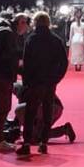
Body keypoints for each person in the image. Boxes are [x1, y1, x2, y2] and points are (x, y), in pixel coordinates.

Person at [17, 12, 68, 157]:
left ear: (35, 22)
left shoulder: (31, 40)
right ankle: (43, 143)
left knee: (30, 113)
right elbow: (64, 62)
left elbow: (26, 63)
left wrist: (27, 82)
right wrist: (56, 78)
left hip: (34, 82)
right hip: (50, 82)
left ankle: (26, 144)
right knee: (47, 113)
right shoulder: (56, 40)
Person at [0, 12, 28, 153]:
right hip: (3, 75)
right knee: (2, 107)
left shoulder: (4, 31)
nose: (26, 28)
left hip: (0, 74)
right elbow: (8, 57)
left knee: (3, 107)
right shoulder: (9, 34)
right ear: (20, 22)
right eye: (25, 23)